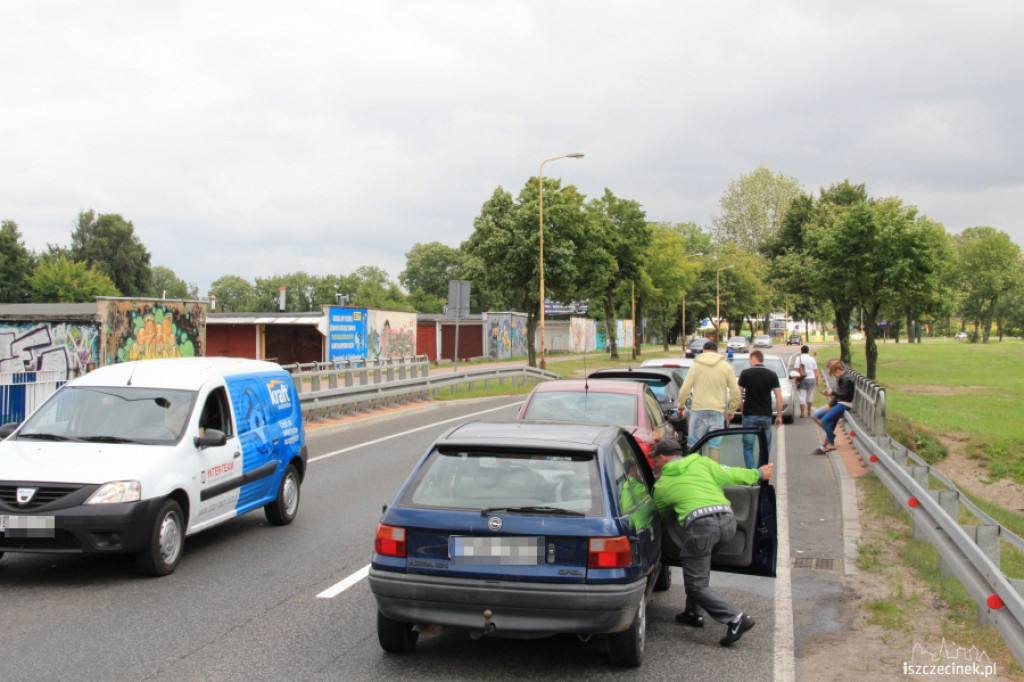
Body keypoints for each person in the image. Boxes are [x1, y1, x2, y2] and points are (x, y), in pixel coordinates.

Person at [652, 437, 773, 647]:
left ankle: (735, 618)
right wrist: (759, 473)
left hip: (702, 527)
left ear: (662, 458)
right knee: (698, 563)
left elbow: (657, 517)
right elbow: (730, 474)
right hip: (728, 522)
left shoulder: (663, 484)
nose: (654, 462)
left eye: (655, 458)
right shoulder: (700, 462)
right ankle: (692, 612)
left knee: (695, 582)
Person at [677, 341, 741, 461]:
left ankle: (694, 473)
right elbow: (735, 391)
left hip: (698, 409)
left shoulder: (696, 366)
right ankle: (712, 474)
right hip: (717, 410)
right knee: (714, 445)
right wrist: (732, 409)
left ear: (703, 350)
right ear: (716, 351)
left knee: (694, 444)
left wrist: (680, 405)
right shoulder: (726, 367)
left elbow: (685, 388)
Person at [737, 349, 782, 468]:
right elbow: (779, 397)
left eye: (749, 361)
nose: (749, 363)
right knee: (765, 447)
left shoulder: (745, 374)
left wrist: (742, 409)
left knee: (748, 448)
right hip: (766, 415)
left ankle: (752, 475)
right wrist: (779, 416)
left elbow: (738, 394)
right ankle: (762, 473)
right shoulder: (772, 375)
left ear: (753, 359)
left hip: (749, 415)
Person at [819, 361, 855, 453]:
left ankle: (831, 443)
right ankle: (830, 440)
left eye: (834, 374)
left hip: (844, 404)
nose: (835, 376)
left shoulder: (846, 379)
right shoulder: (845, 377)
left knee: (825, 420)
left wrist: (833, 393)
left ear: (838, 370)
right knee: (827, 420)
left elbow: (845, 395)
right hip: (841, 403)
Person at [794, 345, 819, 418]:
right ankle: (809, 411)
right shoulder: (812, 359)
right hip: (812, 378)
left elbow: (797, 370)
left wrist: (796, 380)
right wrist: (817, 381)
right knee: (810, 395)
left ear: (801, 351)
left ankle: (802, 413)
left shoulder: (798, 359)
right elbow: (815, 371)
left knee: (802, 396)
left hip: (802, 379)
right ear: (808, 351)